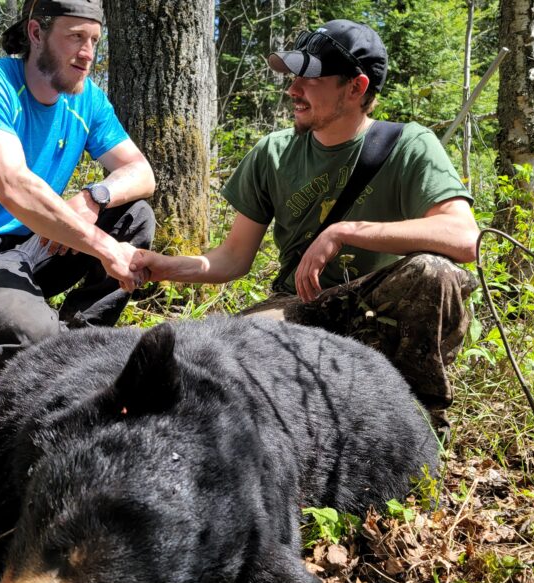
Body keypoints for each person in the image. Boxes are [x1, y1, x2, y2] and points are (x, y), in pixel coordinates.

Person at [131, 19, 479, 422]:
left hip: (379, 317)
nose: (293, 90)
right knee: (215, 355)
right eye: (294, 76)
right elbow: (232, 257)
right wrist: (165, 267)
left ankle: (419, 421)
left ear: (356, 87)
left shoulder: (410, 145)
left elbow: (465, 237)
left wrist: (345, 231)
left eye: (310, 78)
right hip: (300, 308)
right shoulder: (273, 153)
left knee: (434, 272)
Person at [0, 0, 156, 379]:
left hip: (33, 246)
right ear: (36, 33)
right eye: (76, 37)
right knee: (37, 337)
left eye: (94, 40)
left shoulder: (87, 99)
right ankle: (27, 349)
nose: (87, 54)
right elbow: (14, 186)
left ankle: (77, 346)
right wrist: (104, 247)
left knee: (133, 214)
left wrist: (94, 198)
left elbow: (141, 172)